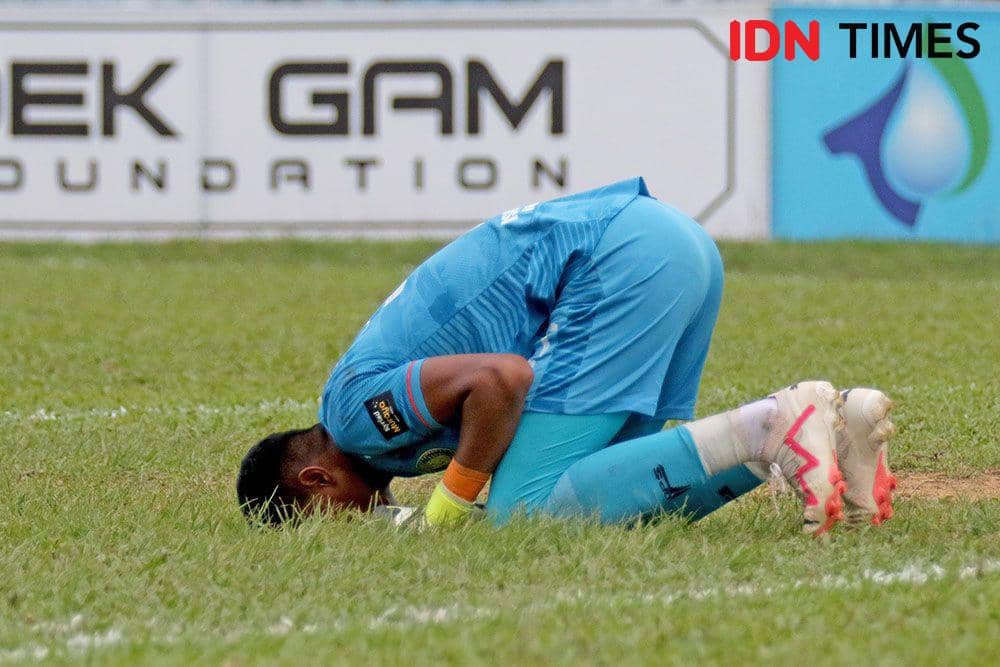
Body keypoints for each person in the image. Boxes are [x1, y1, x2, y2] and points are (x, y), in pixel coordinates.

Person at [236, 178, 897, 534]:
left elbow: (502, 378)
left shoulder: (353, 417)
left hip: (616, 257)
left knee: (518, 516)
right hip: (672, 241)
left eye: (327, 525)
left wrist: (448, 506)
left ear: (315, 481)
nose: (350, 530)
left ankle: (776, 421)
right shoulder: (372, 443)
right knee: (605, 501)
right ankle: (840, 439)